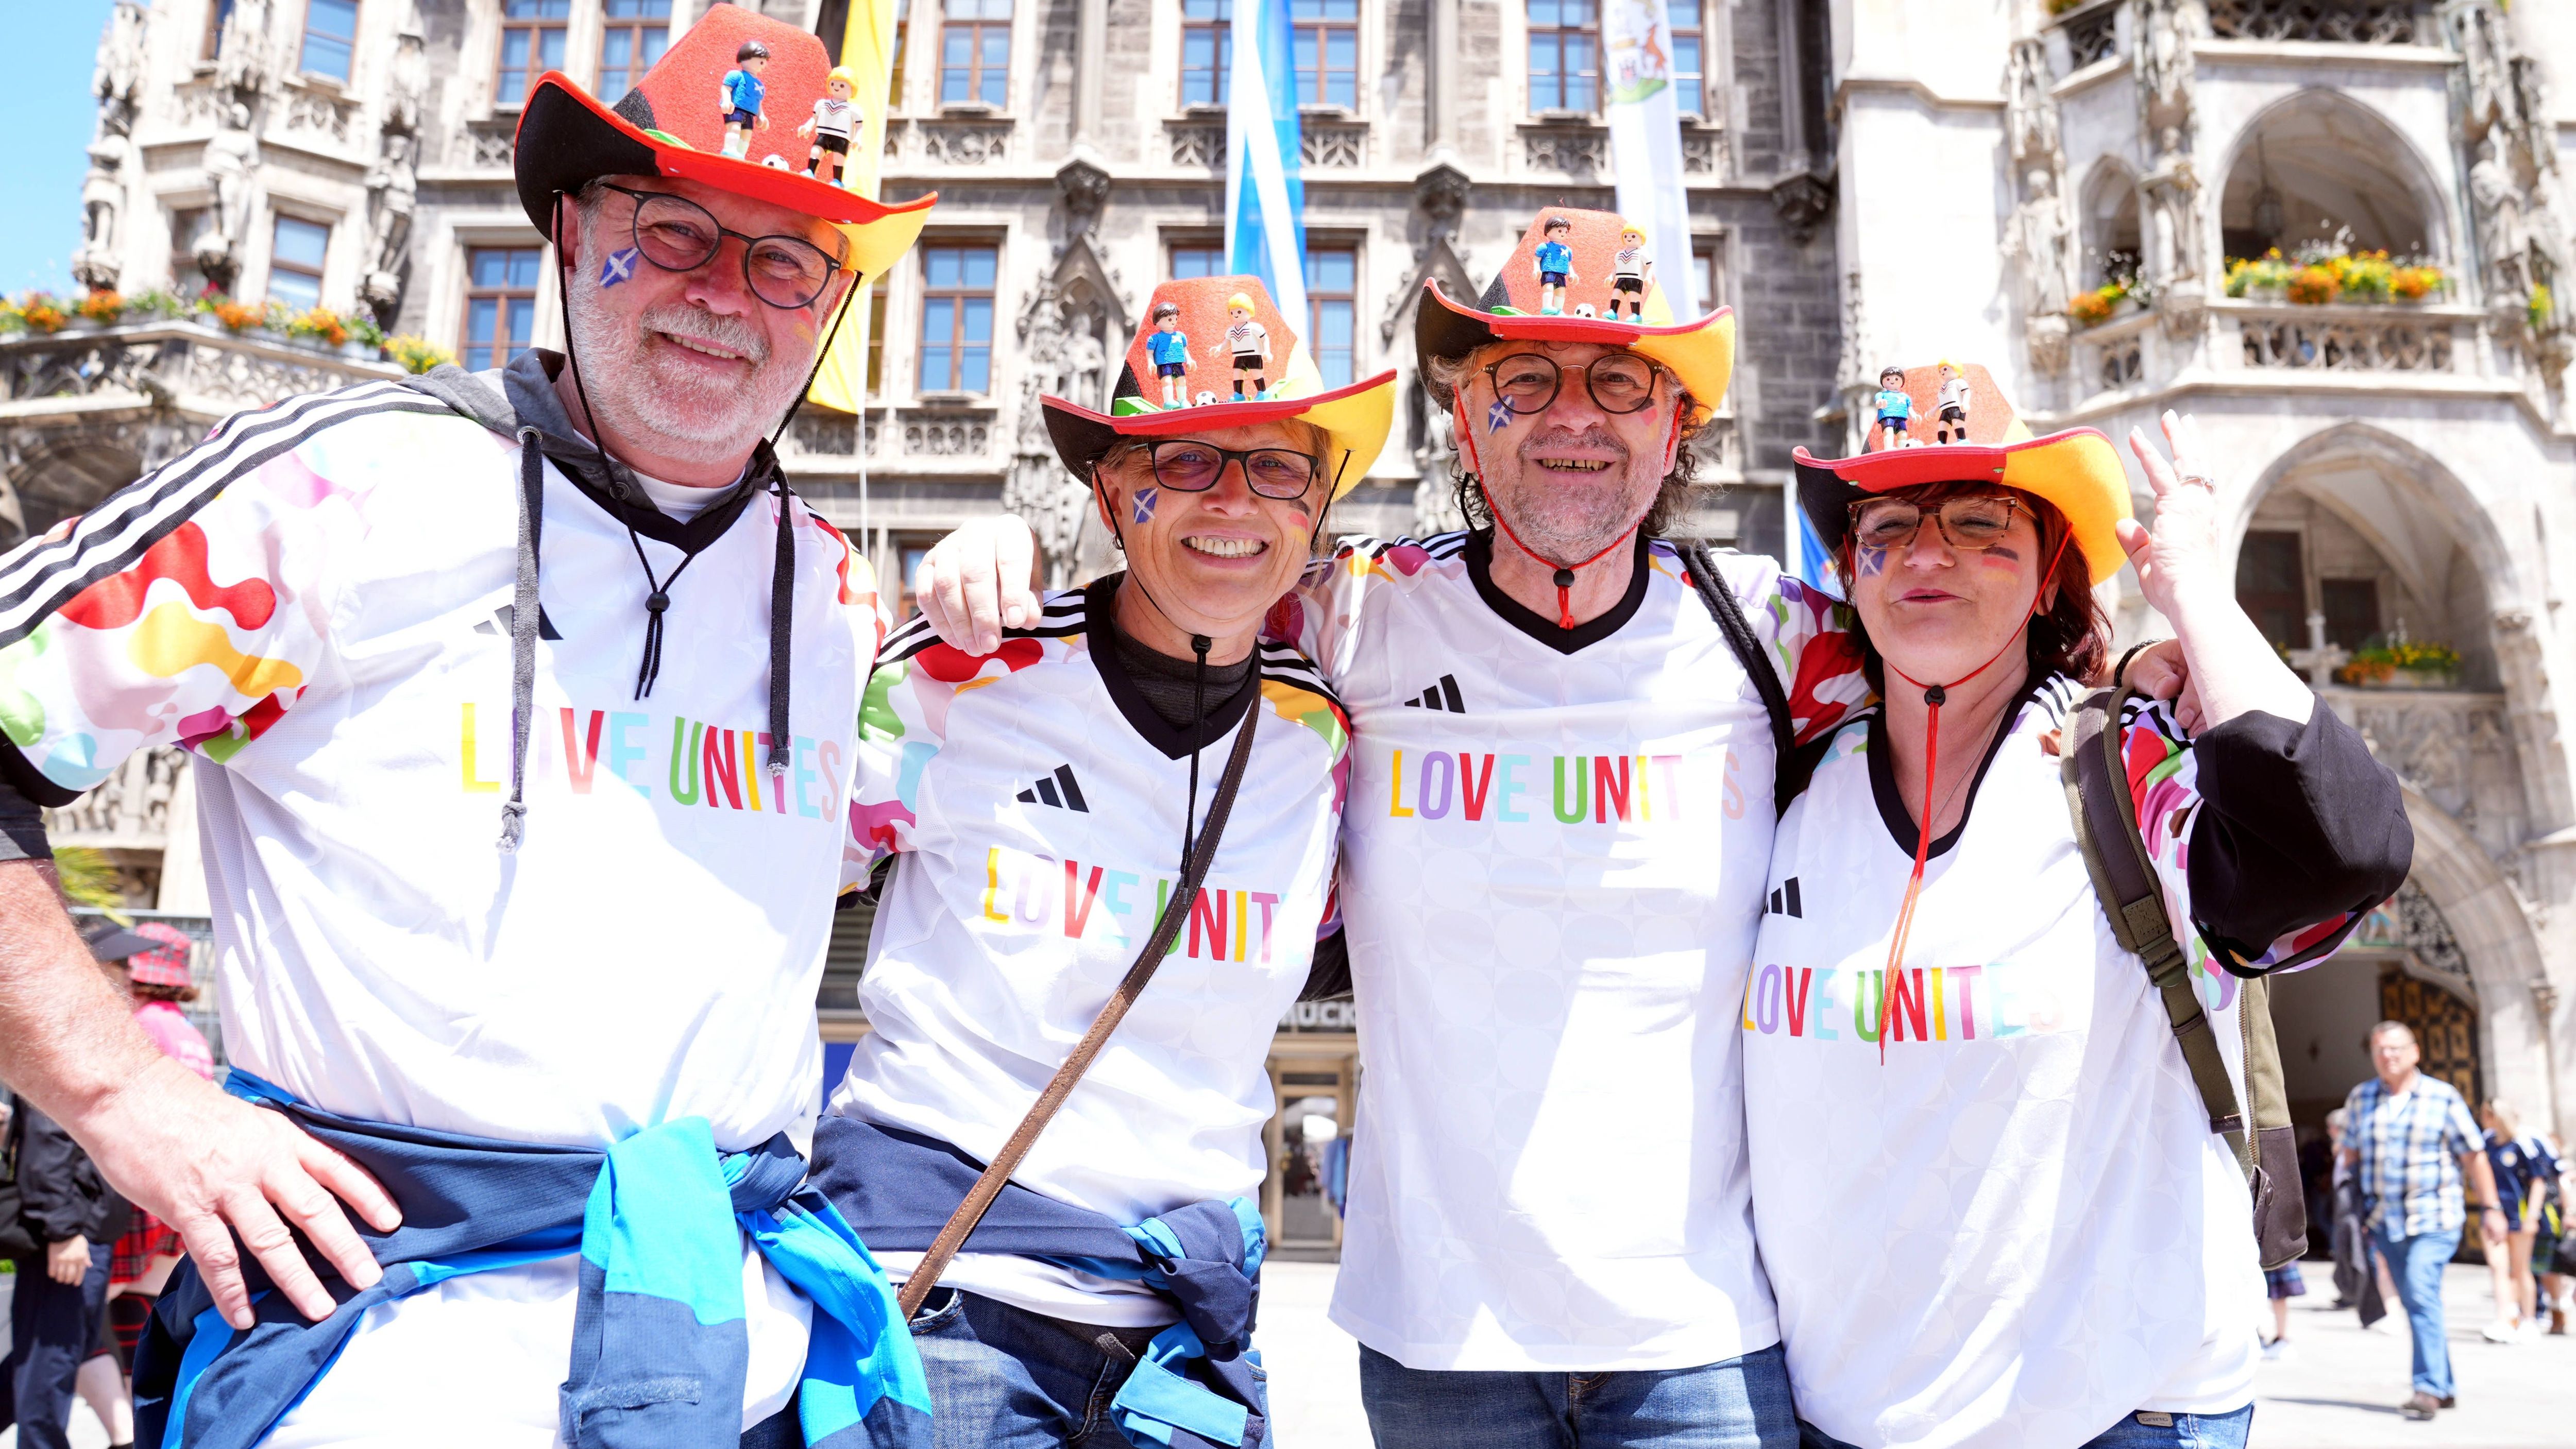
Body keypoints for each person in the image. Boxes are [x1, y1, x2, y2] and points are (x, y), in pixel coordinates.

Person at [911, 209, 2192, 1447]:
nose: (1575, 417)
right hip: (1437, 1341)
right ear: (1465, 418)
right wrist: (1000, 549)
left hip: (1702, 1338)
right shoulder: (1354, 616)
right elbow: (1186, 572)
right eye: (1525, 379)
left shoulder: (1781, 634)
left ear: (1680, 422)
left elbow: (1969, 651)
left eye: (1622, 386)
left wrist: (2138, 658)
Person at [0, 12, 943, 1447]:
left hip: (738, 1370)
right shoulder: (350, 487)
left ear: (828, 302)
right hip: (379, 1363)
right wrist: (124, 1095)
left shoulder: (828, 588)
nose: (727, 296)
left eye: (785, 259)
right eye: (677, 231)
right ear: (571, 229)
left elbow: (1020, 833)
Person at [1752, 374, 2411, 1449]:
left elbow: (2337, 853)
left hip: (2111, 1413)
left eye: (1978, 524)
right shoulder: (1788, 779)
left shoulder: (2115, 759)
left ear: (2049, 566)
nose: (1927, 555)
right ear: (1848, 569)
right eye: (1888, 528)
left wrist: (2194, 594)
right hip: (1836, 1414)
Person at [809, 272, 1394, 1448]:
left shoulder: (1318, 734)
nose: (1234, 499)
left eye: (1276, 465)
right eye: (1184, 460)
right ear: (1114, 488)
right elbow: (760, 884)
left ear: (1315, 510)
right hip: (953, 1292)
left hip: (1184, 1330)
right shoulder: (965, 676)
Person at [3, 924, 146, 1449]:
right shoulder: (69, 1039)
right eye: (121, 966)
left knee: (57, 1347)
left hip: (85, 1229)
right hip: (69, 1234)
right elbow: (49, 1141)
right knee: (52, 1356)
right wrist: (65, 1230)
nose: (131, 977)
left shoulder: (85, 1036)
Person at [2344, 1020, 2507, 1420]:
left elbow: (2473, 1156)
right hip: (2384, 1220)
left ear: (2416, 1052)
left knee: (2418, 1291)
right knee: (2422, 1300)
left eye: (2396, 1049)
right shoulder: (2361, 1098)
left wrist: (2491, 1208)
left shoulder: (2442, 1096)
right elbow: (2349, 1156)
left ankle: (2428, 1387)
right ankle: (2444, 1385)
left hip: (2434, 1217)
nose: (2388, 1057)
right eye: (2380, 1050)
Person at [2481, 1099, 2560, 1341]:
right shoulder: (2485, 1144)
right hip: (2493, 1214)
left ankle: (2528, 1319)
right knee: (2498, 1267)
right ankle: (2504, 1319)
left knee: (2520, 1269)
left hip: (2519, 1215)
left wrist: (2533, 1217)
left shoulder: (2523, 1144)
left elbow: (2538, 1181)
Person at [800, 65, 859, 186]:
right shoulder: (822, 104)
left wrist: (858, 139)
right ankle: (811, 171)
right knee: (816, 151)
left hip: (841, 137)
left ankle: (838, 181)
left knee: (838, 159)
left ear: (852, 89)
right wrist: (807, 127)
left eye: (842, 85)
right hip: (824, 134)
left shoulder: (853, 109)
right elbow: (814, 119)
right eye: (833, 84)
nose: (836, 87)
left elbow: (859, 126)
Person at [721, 38, 772, 159]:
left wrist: (761, 116)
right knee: (735, 128)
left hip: (750, 114)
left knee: (747, 134)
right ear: (746, 58)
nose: (764, 64)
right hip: (736, 109)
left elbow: (758, 102)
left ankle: (740, 154)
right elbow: (726, 88)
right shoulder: (736, 75)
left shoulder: (760, 85)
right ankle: (730, 149)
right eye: (761, 60)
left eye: (765, 61)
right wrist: (727, 101)